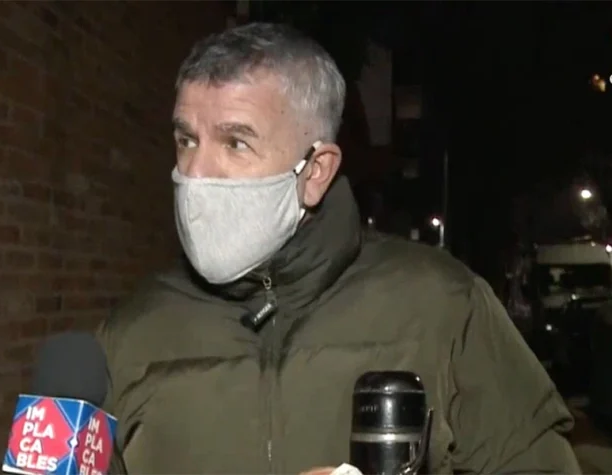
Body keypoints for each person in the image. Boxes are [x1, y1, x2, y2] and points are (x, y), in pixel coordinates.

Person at [97, 22, 580, 474]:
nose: (196, 173)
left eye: (235, 143)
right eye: (187, 140)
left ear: (316, 172)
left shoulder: (444, 305)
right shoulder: (131, 331)